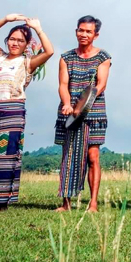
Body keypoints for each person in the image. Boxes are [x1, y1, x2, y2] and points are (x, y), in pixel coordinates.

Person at [0, 14, 54, 212]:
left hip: (12, 113)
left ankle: (1, 203)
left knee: (7, 157)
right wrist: (6, 19)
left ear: (27, 45)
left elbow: (49, 51)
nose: (15, 43)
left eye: (20, 40)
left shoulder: (27, 63)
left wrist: (38, 28)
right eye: (12, 39)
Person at [54, 15, 111, 212]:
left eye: (88, 31)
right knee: (69, 155)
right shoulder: (66, 57)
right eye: (81, 30)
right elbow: (63, 85)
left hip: (93, 111)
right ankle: (66, 203)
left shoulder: (103, 56)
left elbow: (101, 84)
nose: (83, 34)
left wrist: (84, 104)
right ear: (76, 31)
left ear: (96, 34)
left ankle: (93, 203)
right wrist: (68, 104)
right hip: (68, 111)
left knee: (93, 156)